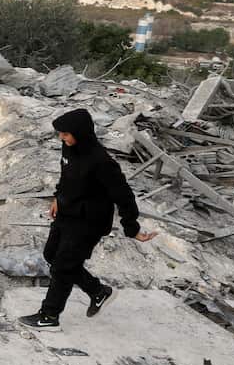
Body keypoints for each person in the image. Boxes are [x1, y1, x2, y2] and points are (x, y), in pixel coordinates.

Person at [19, 108, 155, 330]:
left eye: (65, 134)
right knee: (51, 255)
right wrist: (57, 198)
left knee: (63, 267)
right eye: (60, 134)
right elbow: (66, 176)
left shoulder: (101, 162)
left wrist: (132, 228)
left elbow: (124, 195)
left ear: (80, 132)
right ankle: (98, 291)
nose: (61, 138)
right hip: (68, 213)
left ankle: (49, 316)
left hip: (89, 222)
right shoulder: (70, 147)